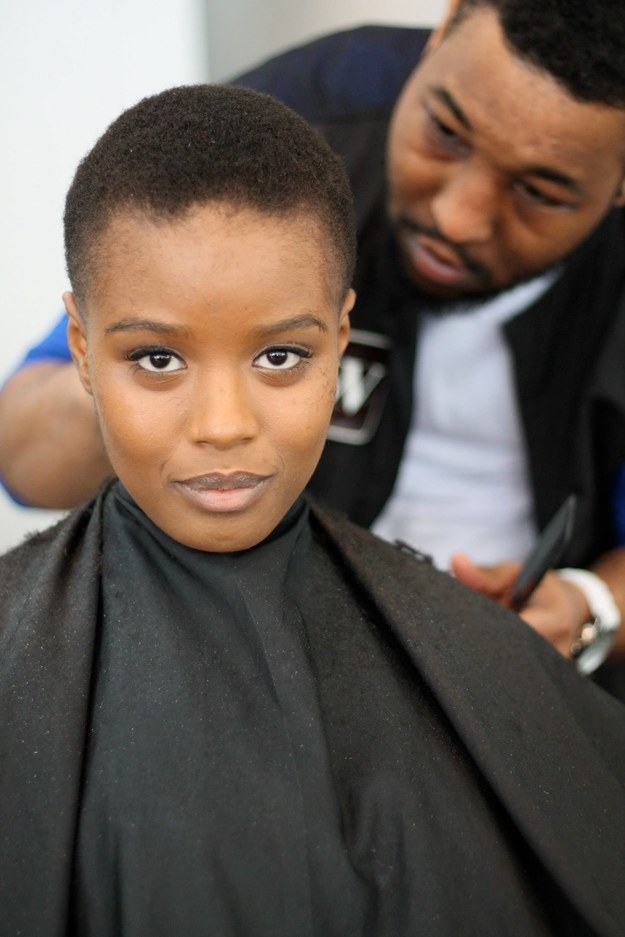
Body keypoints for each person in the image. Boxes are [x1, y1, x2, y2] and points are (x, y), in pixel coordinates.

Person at [2, 81, 625, 937]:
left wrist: (587, 608)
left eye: (280, 355)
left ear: (339, 339)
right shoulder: (334, 88)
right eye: (156, 359)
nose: (223, 426)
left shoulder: (481, 662)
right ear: (79, 347)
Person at [2, 0, 625, 682]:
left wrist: (590, 605)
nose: (457, 216)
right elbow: (24, 456)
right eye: (445, 132)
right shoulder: (294, 126)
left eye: (538, 191)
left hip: (509, 677)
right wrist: (159, 364)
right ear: (442, 31)